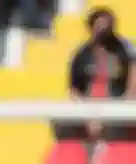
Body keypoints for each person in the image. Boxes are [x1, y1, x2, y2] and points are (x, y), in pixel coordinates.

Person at [57, 7, 135, 143]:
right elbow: (74, 89)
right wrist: (87, 114)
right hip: (88, 106)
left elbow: (132, 83)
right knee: (62, 124)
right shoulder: (82, 55)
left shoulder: (124, 51)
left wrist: (122, 107)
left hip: (117, 104)